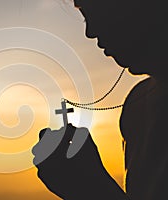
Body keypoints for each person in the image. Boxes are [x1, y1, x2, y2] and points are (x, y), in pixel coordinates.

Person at [32, 0, 168, 199]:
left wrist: (93, 189)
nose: (91, 31)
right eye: (85, 15)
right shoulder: (137, 105)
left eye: (97, 11)